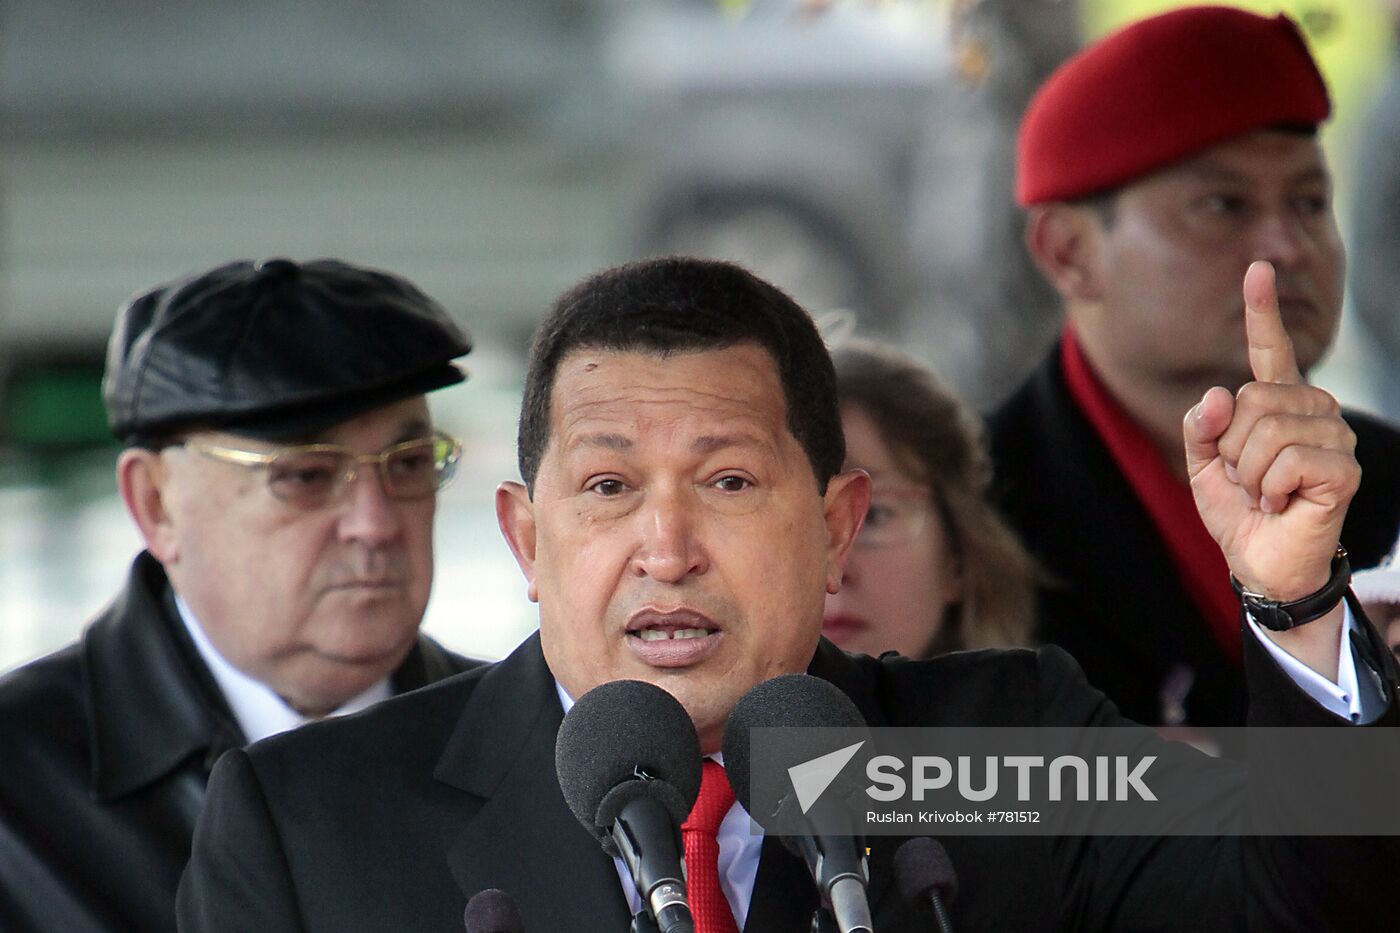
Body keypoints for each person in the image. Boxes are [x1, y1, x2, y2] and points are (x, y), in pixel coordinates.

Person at [176, 255, 1399, 932]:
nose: (665, 548)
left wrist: (1290, 605)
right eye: (605, 487)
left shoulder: (987, 754)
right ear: (524, 537)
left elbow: (1314, 902)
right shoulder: (307, 829)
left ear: (833, 529)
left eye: (725, 480)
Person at [0, 258, 482, 933]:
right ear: (157, 503)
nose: (375, 522)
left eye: (407, 464)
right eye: (307, 474)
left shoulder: (541, 745)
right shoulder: (17, 791)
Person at [987, 5, 1400, 728]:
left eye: (1310, 201)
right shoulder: (965, 511)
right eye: (1221, 204)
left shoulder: (1391, 485)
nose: (1289, 244)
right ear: (1069, 252)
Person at [822, 338, 1034, 657]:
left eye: (874, 515)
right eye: (791, 524)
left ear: (956, 558)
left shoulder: (1057, 701)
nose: (834, 569)